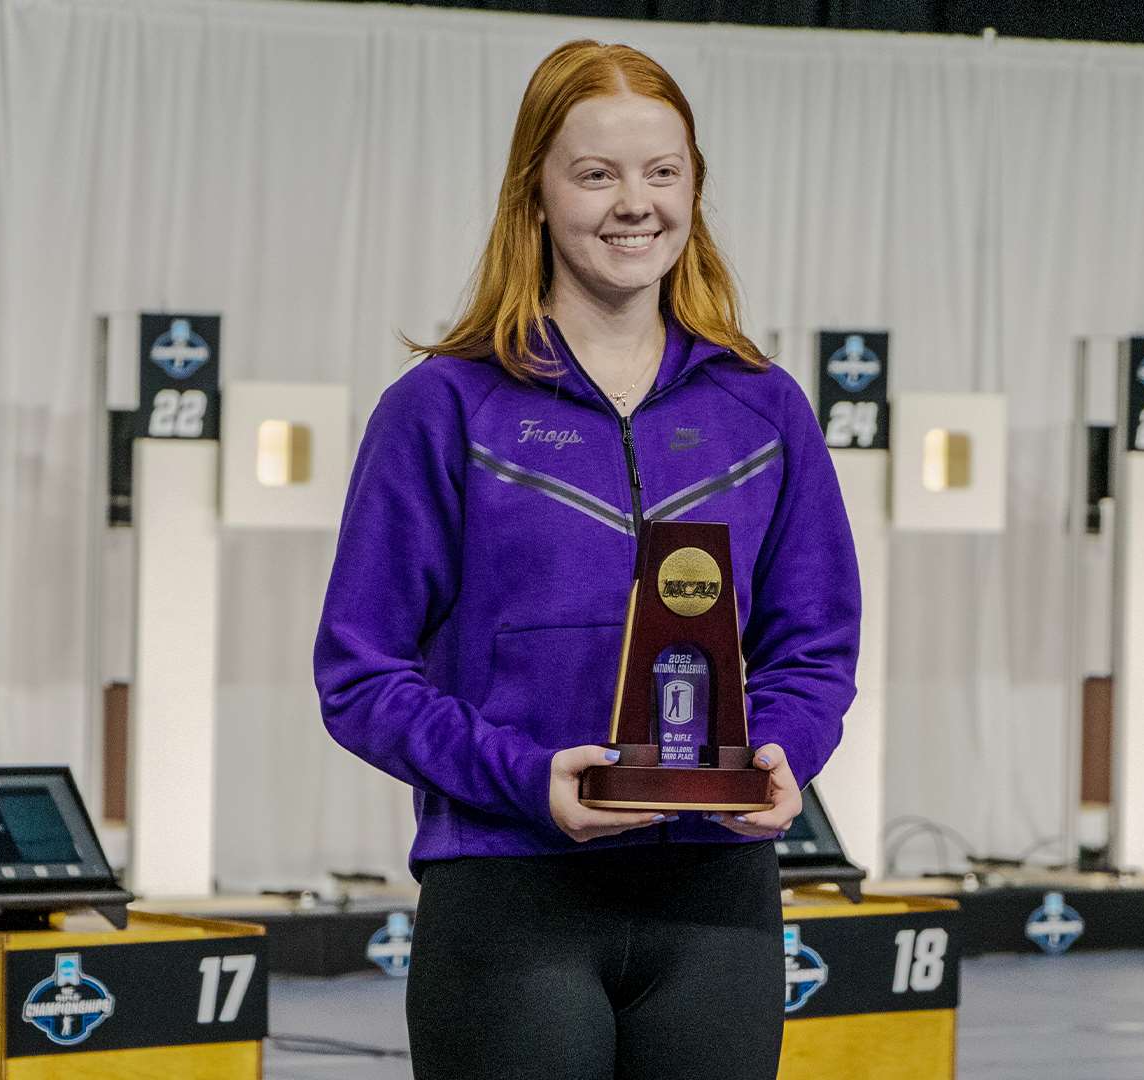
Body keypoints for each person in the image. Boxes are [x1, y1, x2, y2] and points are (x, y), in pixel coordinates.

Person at [314, 38, 860, 1080]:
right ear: (536, 194)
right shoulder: (443, 410)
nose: (634, 204)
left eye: (662, 172)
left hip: (719, 911)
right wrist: (524, 778)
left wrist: (784, 750)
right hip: (513, 898)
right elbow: (361, 673)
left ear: (696, 190)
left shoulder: (764, 409)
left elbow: (814, 647)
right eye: (596, 173)